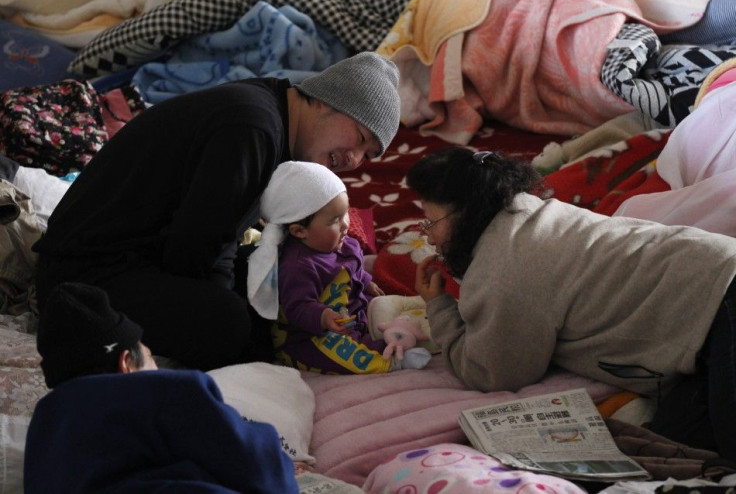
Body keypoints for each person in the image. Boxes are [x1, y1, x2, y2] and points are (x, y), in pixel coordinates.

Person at [31, 52, 401, 371]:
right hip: (84, 278)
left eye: (368, 155)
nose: (354, 159)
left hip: (140, 253)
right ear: (325, 100)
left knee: (277, 275)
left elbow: (216, 238)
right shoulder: (253, 127)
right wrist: (242, 333)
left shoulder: (273, 111)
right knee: (230, 323)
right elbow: (196, 251)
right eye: (359, 136)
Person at [407, 146, 736, 461]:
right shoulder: (523, 213)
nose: (430, 238)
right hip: (710, 301)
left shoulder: (505, 267)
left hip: (722, 300)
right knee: (678, 445)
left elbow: (491, 372)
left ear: (464, 210)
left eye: (430, 223)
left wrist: (438, 307)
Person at [25, 281, 298, 493]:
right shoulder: (163, 391)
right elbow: (261, 468)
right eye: (151, 357)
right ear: (126, 363)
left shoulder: (44, 422)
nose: (157, 368)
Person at [247, 161, 430, 374]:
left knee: (383, 306)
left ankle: (400, 333)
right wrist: (323, 317)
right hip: (311, 334)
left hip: (350, 315)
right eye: (335, 220)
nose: (345, 224)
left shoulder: (346, 243)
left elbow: (354, 270)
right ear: (299, 231)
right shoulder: (298, 266)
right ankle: (391, 359)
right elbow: (297, 308)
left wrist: (366, 281)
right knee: (340, 354)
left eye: (345, 213)